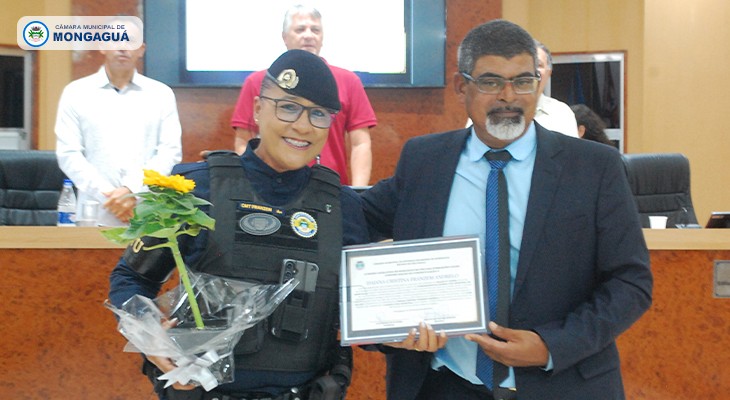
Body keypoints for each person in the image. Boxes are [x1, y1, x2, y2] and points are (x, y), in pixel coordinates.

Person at [361, 19, 652, 400]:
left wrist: (551, 346)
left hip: (563, 385)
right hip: (444, 385)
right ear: (461, 86)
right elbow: (352, 218)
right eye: (490, 82)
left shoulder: (594, 167)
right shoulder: (424, 160)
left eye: (523, 81)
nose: (509, 96)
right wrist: (384, 324)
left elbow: (630, 282)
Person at [109, 49, 370, 400]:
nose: (303, 125)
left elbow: (364, 312)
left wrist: (408, 331)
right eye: (288, 107)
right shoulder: (193, 189)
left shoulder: (343, 206)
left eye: (319, 114)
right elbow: (131, 277)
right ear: (258, 109)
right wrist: (149, 333)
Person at [230, 5, 377, 186]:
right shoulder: (259, 82)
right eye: (300, 29)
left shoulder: (349, 81)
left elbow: (360, 144)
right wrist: (248, 184)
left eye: (315, 30)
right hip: (267, 188)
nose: (309, 35)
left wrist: (358, 191)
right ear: (284, 37)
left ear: (322, 37)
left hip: (330, 190)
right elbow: (243, 140)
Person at [55, 33, 182, 227]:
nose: (123, 47)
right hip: (94, 211)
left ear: (141, 50)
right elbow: (69, 154)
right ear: (102, 46)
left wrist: (132, 191)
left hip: (146, 210)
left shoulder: (161, 94)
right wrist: (109, 197)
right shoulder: (76, 92)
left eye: (130, 41)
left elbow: (169, 152)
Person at [533, 40, 579, 137]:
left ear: (549, 72)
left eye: (538, 65)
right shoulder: (503, 110)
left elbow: (570, 146)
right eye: (527, 64)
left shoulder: (561, 113)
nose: (533, 71)